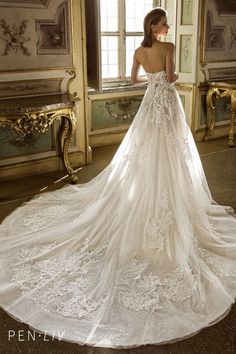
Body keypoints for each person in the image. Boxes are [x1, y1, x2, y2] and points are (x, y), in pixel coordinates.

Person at [0, 7, 236, 349]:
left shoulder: (140, 51)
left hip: (150, 105)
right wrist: (165, 78)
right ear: (155, 27)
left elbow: (134, 79)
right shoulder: (168, 49)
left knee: (144, 153)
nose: (168, 27)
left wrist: (151, 80)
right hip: (167, 104)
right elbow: (171, 78)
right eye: (164, 23)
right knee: (171, 151)